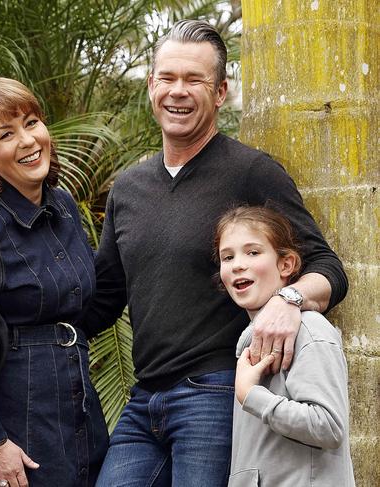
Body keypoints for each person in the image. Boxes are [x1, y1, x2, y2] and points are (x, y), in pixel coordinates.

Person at [87, 19, 348, 486]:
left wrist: (288, 302)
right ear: (151, 85)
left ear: (222, 91)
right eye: (167, 78)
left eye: (194, 80)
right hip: (143, 397)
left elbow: (328, 268)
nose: (178, 92)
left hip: (215, 389)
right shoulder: (128, 188)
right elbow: (102, 298)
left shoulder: (252, 172)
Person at [0, 76, 109, 487]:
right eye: (6, 134)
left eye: (31, 122)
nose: (28, 141)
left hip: (82, 413)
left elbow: (93, 302)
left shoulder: (65, 206)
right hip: (21, 431)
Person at [215, 206, 355, 486]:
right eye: (227, 257)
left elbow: (328, 425)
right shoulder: (248, 342)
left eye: (253, 252)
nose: (237, 264)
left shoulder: (309, 329)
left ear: (286, 265)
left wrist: (251, 395)